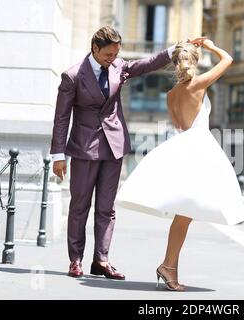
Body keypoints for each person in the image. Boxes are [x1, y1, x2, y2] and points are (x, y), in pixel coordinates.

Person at [115, 37, 244, 291]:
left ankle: (169, 267)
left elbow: (178, 126)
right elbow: (228, 59)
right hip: (198, 149)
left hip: (183, 146)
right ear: (194, 63)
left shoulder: (171, 95)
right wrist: (209, 45)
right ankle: (167, 267)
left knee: (183, 216)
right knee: (184, 217)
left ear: (175, 64)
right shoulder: (198, 84)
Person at [50, 26, 177, 279]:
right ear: (95, 48)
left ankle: (102, 260)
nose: (112, 59)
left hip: (114, 146)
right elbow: (61, 118)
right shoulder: (72, 76)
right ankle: (75, 260)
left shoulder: (119, 67)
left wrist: (174, 50)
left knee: (107, 209)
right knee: (79, 206)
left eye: (115, 54)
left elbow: (147, 63)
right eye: (108, 54)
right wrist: (58, 155)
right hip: (84, 148)